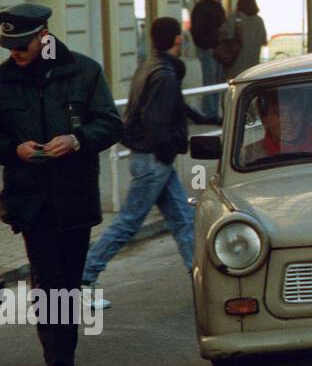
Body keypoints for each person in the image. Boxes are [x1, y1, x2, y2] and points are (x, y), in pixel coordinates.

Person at [0, 3, 123, 366]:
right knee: (48, 279)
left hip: (74, 196)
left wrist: (76, 140)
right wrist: (13, 149)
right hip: (31, 199)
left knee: (67, 281)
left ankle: (64, 359)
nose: (15, 52)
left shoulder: (83, 72)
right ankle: (58, 364)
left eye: (22, 44)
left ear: (44, 36)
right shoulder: (3, 80)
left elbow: (110, 124)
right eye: (9, 45)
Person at [82, 17, 214, 308]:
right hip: (154, 160)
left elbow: (172, 108)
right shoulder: (164, 74)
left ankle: (205, 284)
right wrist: (167, 150)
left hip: (152, 159)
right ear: (178, 40)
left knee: (183, 218)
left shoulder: (152, 66)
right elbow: (155, 120)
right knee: (129, 223)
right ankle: (84, 278)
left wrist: (207, 119)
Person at [240, 88, 312, 164]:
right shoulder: (247, 157)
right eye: (279, 113)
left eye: (294, 111)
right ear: (265, 120)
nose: (288, 119)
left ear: (303, 116)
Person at [190, 0, 227, 116]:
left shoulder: (216, 7)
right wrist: (207, 42)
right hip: (207, 48)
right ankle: (210, 112)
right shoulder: (202, 7)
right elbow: (198, 29)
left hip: (216, 48)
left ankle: (213, 111)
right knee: (210, 81)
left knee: (216, 81)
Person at [217, 0, 268, 81]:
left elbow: (223, 36)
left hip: (234, 66)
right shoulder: (259, 21)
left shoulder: (234, 18)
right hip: (253, 67)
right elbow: (263, 41)